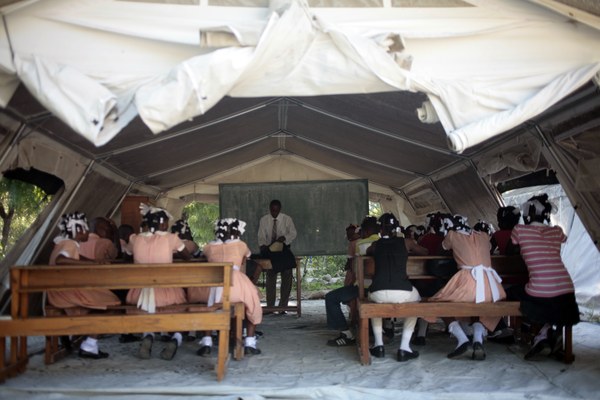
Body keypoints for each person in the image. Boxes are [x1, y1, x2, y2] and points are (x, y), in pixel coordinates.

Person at [507, 193, 580, 360]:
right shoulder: (556, 231)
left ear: (529, 213)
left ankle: (541, 335)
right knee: (551, 299)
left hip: (540, 291)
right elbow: (562, 239)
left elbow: (509, 251)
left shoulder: (520, 230)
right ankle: (548, 333)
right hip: (566, 290)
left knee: (514, 293)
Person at [428, 214, 506, 361]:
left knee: (437, 303)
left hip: (469, 280)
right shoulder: (483, 235)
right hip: (492, 286)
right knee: (479, 303)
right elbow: (488, 249)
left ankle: (463, 341)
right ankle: (477, 340)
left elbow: (439, 252)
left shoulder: (452, 235)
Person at [48, 212, 121, 359]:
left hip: (58, 290)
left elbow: (74, 257)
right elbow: (61, 260)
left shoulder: (64, 243)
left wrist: (93, 262)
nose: (88, 232)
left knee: (102, 301)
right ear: (78, 231)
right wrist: (89, 263)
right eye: (86, 229)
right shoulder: (70, 244)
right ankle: (90, 344)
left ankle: (85, 337)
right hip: (66, 293)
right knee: (114, 304)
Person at [125, 204, 191, 361]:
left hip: (139, 294)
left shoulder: (135, 238)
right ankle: (176, 337)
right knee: (182, 307)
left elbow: (126, 257)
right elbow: (188, 256)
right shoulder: (171, 238)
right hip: (166, 293)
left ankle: (148, 335)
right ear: (163, 222)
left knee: (150, 309)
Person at [193, 218, 263, 356]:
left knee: (208, 305)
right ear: (235, 232)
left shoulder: (209, 247)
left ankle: (207, 342)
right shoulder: (241, 245)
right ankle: (249, 342)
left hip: (213, 288)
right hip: (235, 286)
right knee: (254, 302)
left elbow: (204, 257)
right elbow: (245, 258)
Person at [366, 213, 428, 362]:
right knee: (416, 302)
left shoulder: (376, 245)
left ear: (380, 229)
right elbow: (425, 252)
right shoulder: (407, 242)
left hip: (378, 291)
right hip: (403, 291)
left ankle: (379, 345)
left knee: (374, 304)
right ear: (397, 227)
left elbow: (368, 252)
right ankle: (405, 347)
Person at [325, 216, 379, 347]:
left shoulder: (361, 244)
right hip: (383, 286)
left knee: (331, 298)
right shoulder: (388, 243)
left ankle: (347, 334)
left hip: (364, 287)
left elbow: (355, 269)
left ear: (364, 232)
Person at [258, 199, 297, 309]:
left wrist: (284, 238)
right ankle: (270, 306)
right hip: (270, 250)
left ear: (280, 209)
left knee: (287, 272)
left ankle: (283, 306)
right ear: (270, 209)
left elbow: (293, 233)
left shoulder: (287, 219)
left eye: (276, 210)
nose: (274, 212)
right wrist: (263, 245)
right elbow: (261, 236)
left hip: (283, 249)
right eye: (272, 210)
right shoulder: (264, 220)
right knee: (271, 275)